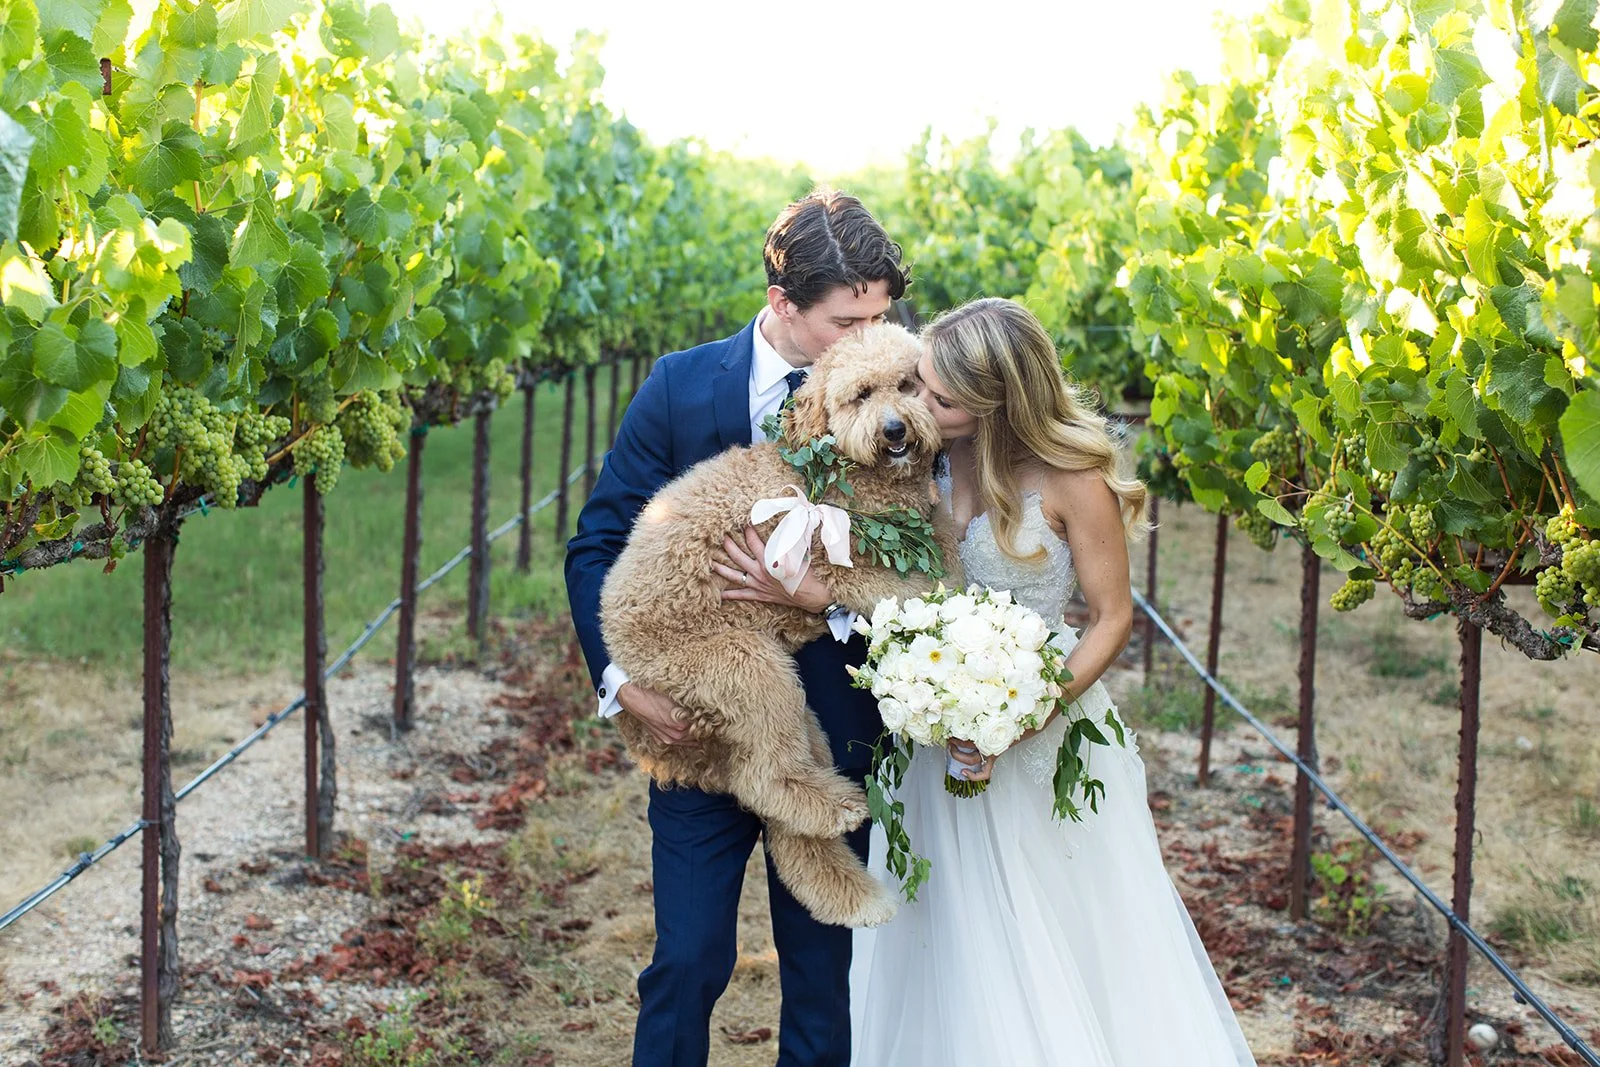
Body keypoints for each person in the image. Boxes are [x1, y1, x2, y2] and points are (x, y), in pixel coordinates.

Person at [723, 297, 1256, 1064]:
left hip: (1041, 739)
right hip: (933, 740)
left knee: (1052, 935)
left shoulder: (1075, 479)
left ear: (994, 399)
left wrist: (1024, 715)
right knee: (944, 935)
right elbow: (891, 585)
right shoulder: (924, 462)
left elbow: (1110, 620)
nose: (915, 407)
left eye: (934, 395)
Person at [564, 190, 910, 1067]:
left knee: (822, 975)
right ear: (782, 303)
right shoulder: (680, 387)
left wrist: (819, 601)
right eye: (847, 320)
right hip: (700, 724)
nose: (870, 337)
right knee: (686, 961)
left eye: (882, 315)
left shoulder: (901, 394)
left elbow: (914, 560)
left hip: (835, 726)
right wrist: (623, 683)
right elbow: (597, 541)